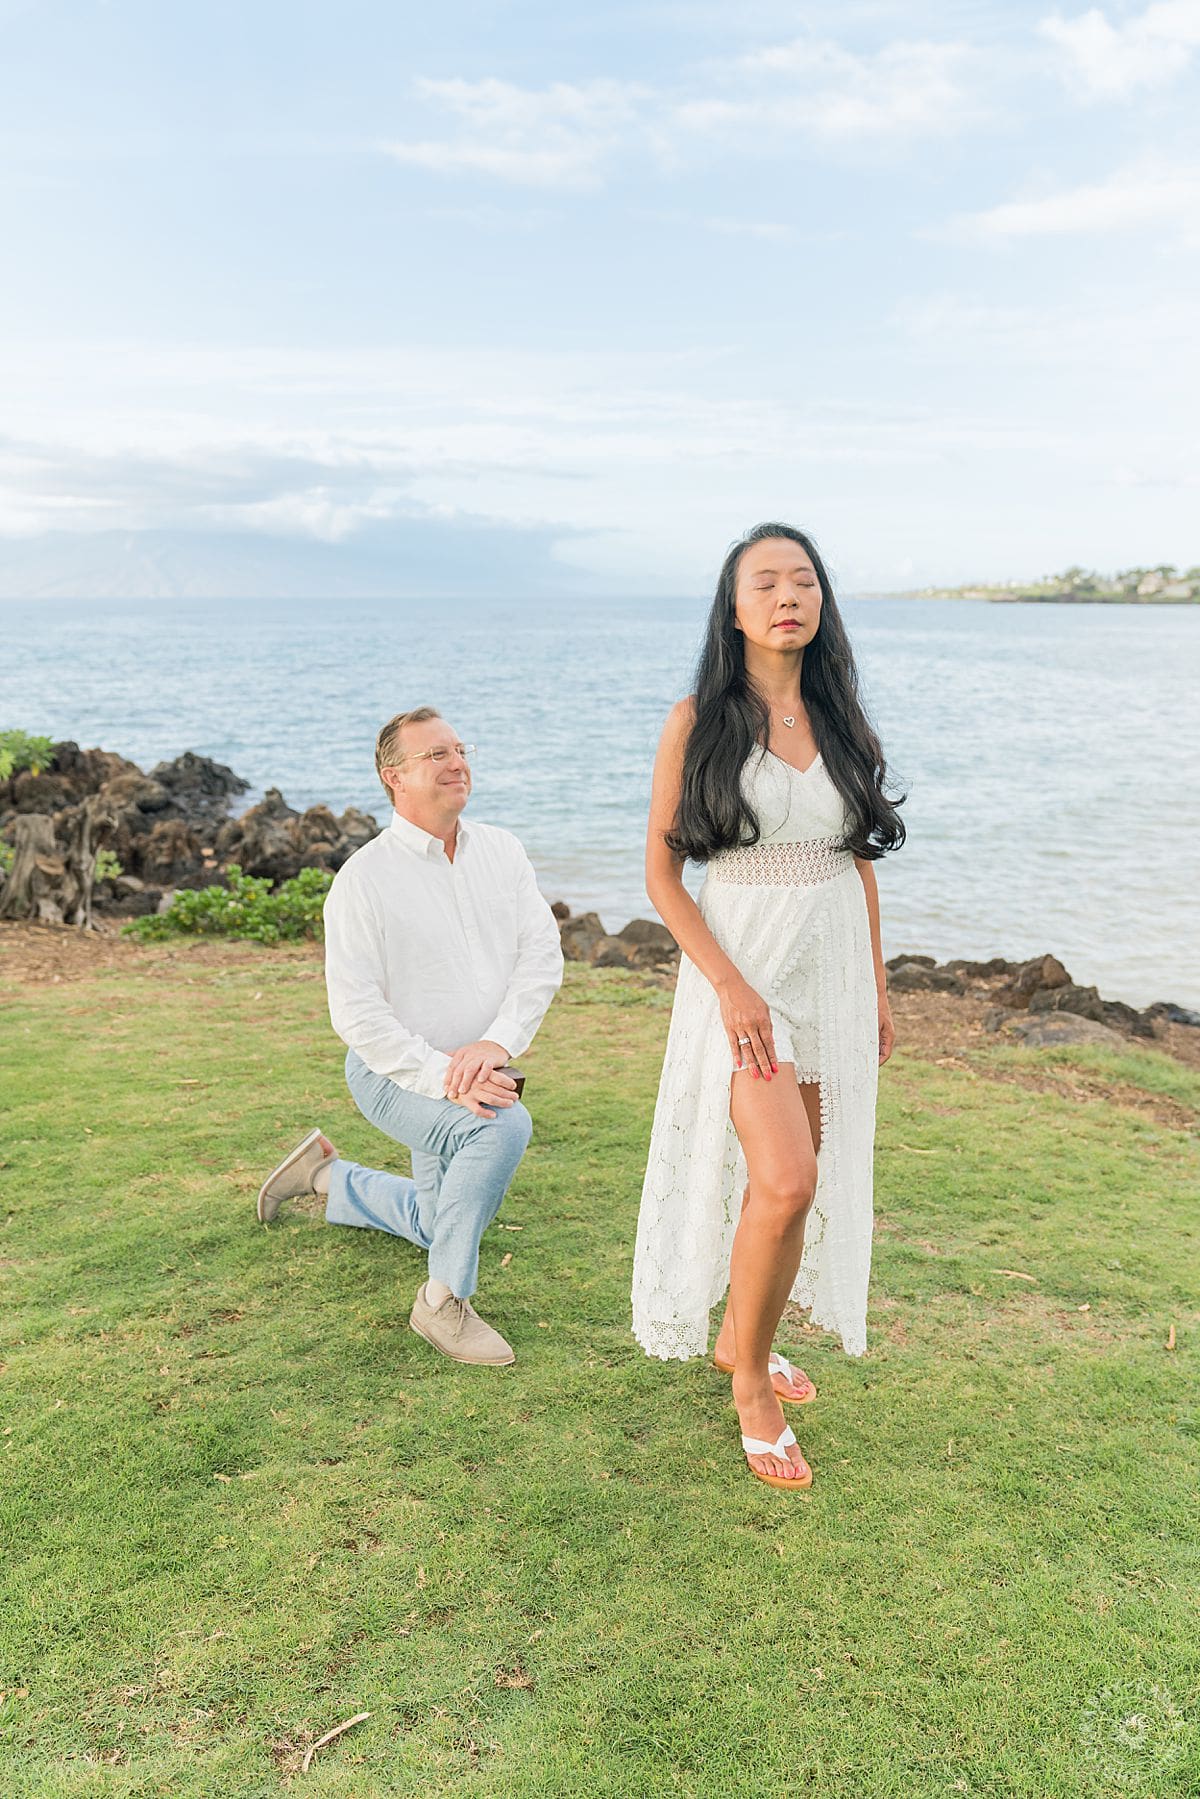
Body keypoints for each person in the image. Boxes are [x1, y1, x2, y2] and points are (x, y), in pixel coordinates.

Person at [631, 524, 905, 1488]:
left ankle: (743, 1338)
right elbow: (664, 878)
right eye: (765, 582)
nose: (787, 595)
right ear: (736, 606)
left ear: (820, 603)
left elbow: (858, 866)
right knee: (785, 1177)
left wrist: (873, 983)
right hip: (742, 970)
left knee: (795, 1181)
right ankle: (750, 1379)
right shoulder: (697, 717)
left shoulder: (842, 720)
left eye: (803, 580)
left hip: (829, 966)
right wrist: (730, 986)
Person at [256, 707, 564, 1367]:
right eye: (436, 755)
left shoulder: (502, 851)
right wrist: (445, 1077)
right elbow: (359, 1016)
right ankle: (442, 1302)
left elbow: (541, 958)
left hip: (478, 1068)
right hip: (395, 1074)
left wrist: (497, 1046)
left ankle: (325, 1176)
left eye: (460, 748)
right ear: (394, 777)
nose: (457, 763)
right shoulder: (362, 881)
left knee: (441, 1218)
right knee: (498, 1129)